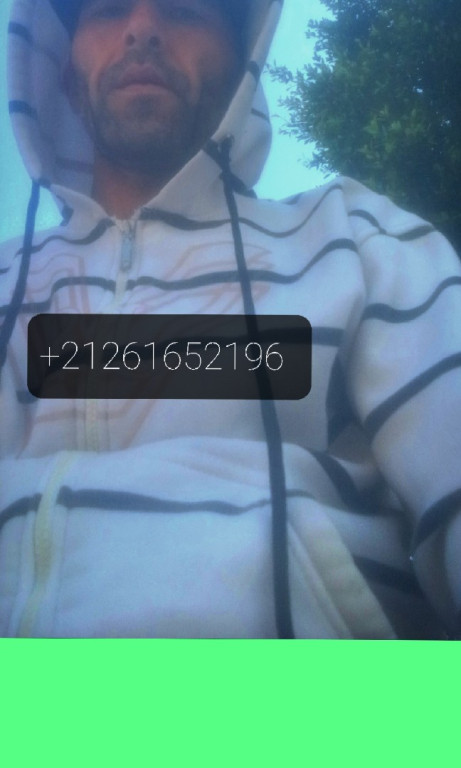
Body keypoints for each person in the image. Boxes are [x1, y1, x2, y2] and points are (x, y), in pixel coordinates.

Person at [1, 0, 460, 639]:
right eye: (106, 8)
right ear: (63, 75)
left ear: (243, 59)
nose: (142, 28)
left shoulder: (356, 239)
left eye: (185, 10)